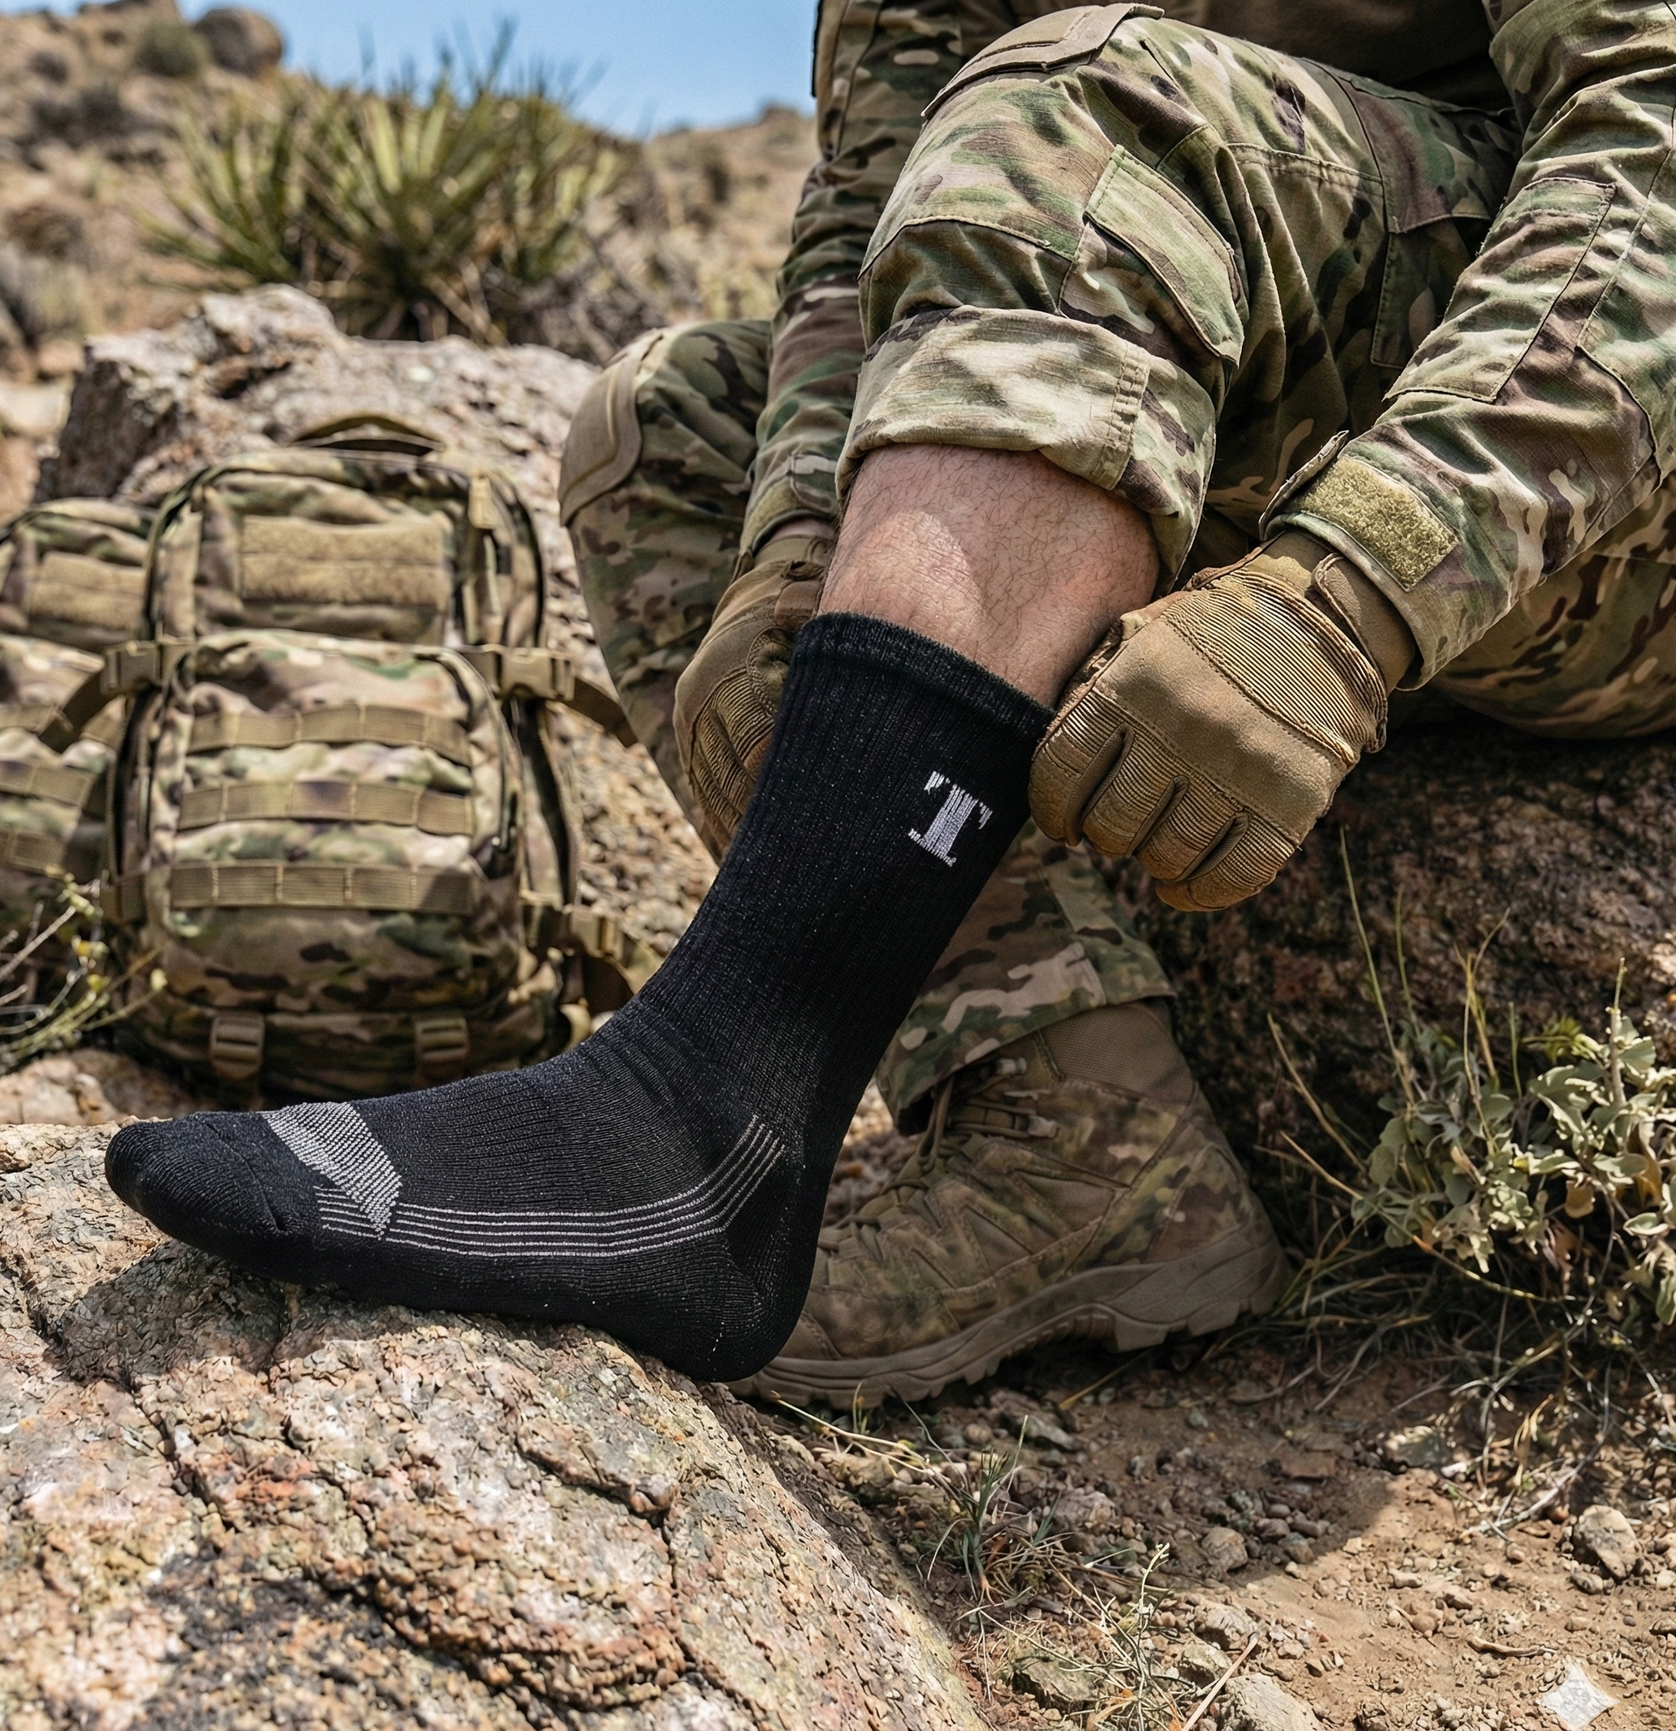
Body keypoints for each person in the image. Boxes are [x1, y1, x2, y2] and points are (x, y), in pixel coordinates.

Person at [105, 0, 1676, 1406]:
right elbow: (877, 208)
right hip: (1250, 411)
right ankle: (1083, 1147)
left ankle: (697, 1121)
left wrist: (1354, 589)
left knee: (1084, 111)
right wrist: (798, 557)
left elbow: (1654, 142)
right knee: (675, 426)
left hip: (1602, 492)